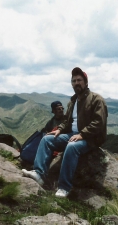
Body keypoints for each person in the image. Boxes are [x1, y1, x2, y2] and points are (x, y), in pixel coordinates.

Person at [22, 67, 108, 198]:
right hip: (72, 134)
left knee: (72, 146)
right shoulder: (73, 101)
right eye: (74, 81)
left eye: (79, 80)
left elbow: (99, 122)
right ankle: (39, 174)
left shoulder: (96, 100)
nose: (76, 83)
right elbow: (67, 121)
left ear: (86, 82)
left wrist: (82, 134)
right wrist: (60, 130)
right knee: (46, 139)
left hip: (90, 138)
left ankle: (64, 187)